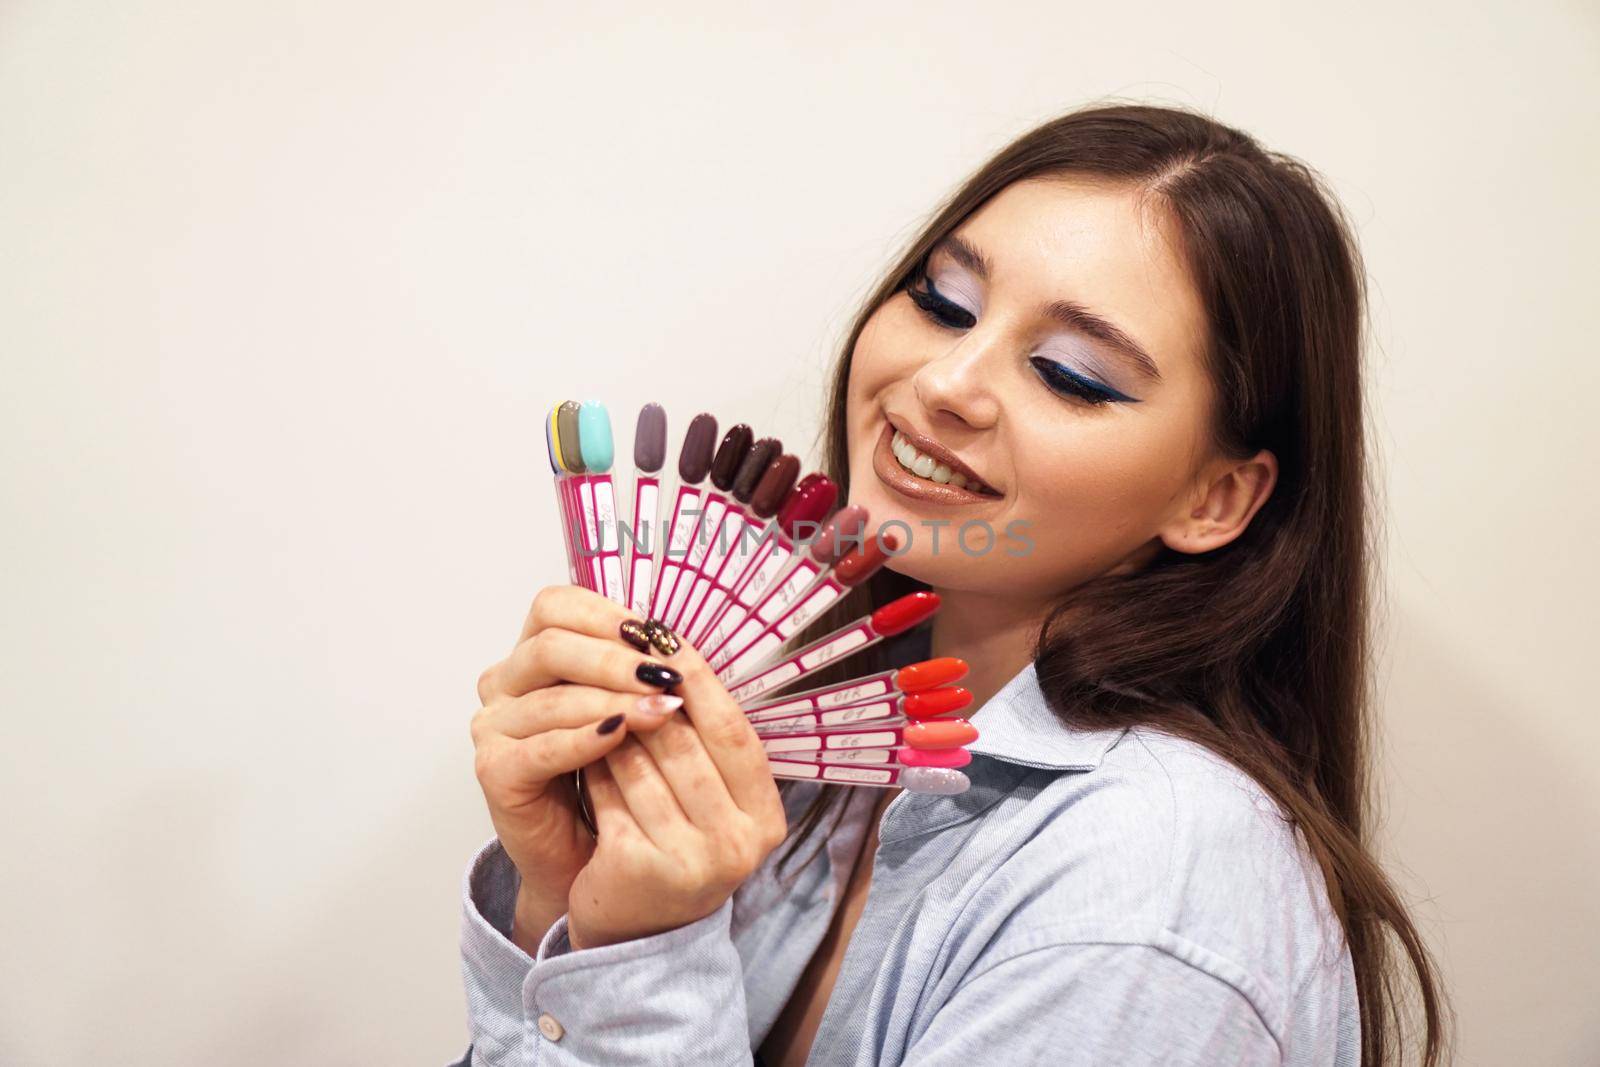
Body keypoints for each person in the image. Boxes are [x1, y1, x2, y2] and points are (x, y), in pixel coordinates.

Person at [456, 102, 1447, 1065]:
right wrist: (566, 897)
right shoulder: (820, 754)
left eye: (1070, 373)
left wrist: (648, 950)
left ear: (1214, 497)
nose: (943, 382)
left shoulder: (1149, 899)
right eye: (941, 301)